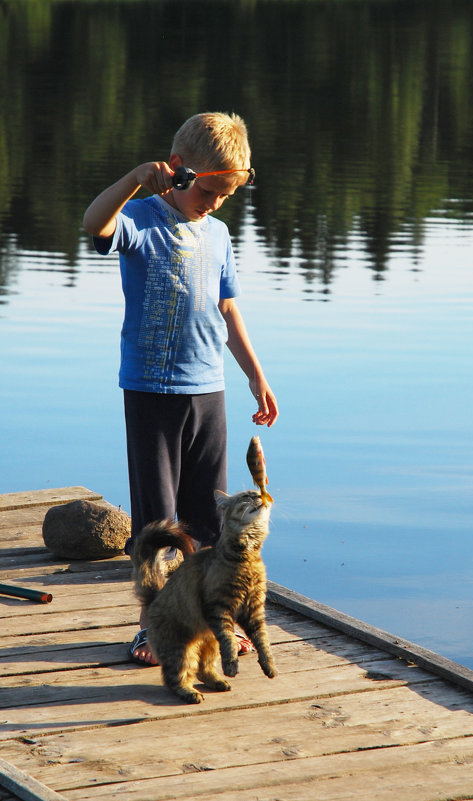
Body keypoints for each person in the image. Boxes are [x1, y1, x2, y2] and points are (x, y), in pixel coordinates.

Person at [83, 112, 278, 665]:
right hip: (151, 390)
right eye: (211, 191)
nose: (216, 203)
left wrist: (255, 374)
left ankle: (218, 624)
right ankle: (151, 627)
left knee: (208, 519)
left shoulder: (217, 234)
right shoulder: (142, 218)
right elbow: (93, 224)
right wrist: (132, 181)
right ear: (181, 172)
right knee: (157, 522)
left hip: (207, 389)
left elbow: (227, 307)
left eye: (227, 194)